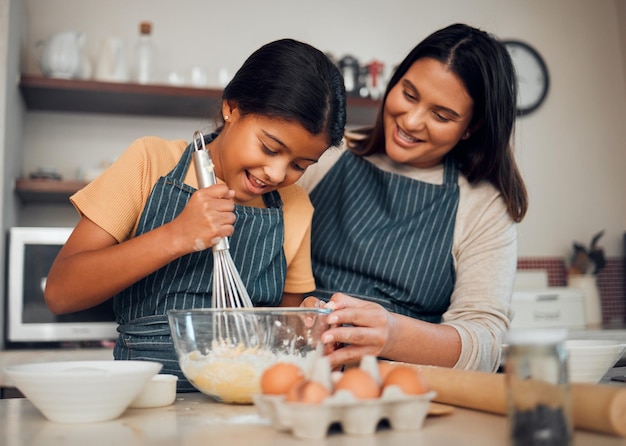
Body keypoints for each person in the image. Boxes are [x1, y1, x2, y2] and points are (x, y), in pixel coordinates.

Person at [44, 38, 346, 391]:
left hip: (244, 405)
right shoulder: (150, 162)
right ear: (232, 108)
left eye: (299, 164)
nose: (277, 174)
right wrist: (176, 236)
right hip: (146, 398)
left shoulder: (294, 207)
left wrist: (307, 323)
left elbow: (284, 335)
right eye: (269, 147)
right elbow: (61, 292)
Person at [298, 23, 528, 373]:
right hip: (300, 373)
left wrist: (392, 334)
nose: (411, 121)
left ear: (471, 127)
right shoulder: (327, 153)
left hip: (404, 390)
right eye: (408, 94)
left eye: (441, 115)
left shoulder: (483, 206)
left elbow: (487, 342)